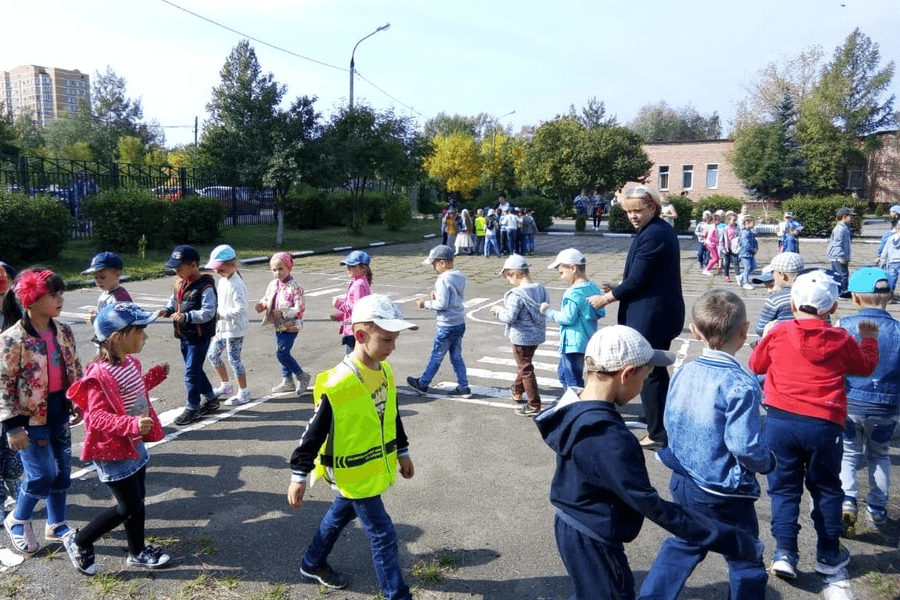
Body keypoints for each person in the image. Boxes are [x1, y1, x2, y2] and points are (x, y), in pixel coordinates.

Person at [534, 325, 763, 600]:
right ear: (627, 373)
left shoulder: (573, 409)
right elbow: (653, 506)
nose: (644, 385)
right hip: (595, 539)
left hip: (572, 523)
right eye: (646, 375)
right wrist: (732, 539)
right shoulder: (610, 437)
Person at [638, 290, 775, 600]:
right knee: (744, 554)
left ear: (695, 330)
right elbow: (744, 447)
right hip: (724, 491)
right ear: (744, 331)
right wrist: (768, 462)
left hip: (684, 478)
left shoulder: (685, 371)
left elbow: (671, 422)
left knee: (686, 541)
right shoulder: (741, 383)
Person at [749, 270, 879, 580]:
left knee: (783, 490)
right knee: (826, 488)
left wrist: (766, 336)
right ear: (833, 308)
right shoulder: (842, 339)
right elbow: (863, 367)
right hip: (824, 424)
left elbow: (756, 365)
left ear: (793, 303)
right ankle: (828, 553)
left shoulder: (779, 333)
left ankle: (784, 552)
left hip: (781, 419)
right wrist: (870, 341)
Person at [287, 294, 417, 599]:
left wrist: (403, 450)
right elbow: (313, 433)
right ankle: (396, 595)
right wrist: (298, 475)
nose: (393, 347)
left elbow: (390, 415)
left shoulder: (384, 371)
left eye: (394, 339)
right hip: (354, 475)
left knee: (340, 513)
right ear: (360, 336)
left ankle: (312, 562)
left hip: (371, 468)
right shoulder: (339, 384)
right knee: (383, 534)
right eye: (386, 339)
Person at [63, 302, 171, 575]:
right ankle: (80, 541)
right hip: (112, 449)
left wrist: (152, 379)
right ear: (118, 337)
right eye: (140, 331)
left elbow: (129, 394)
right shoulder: (99, 374)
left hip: (132, 444)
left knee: (138, 500)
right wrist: (132, 423)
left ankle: (137, 551)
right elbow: (96, 417)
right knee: (128, 506)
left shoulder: (129, 362)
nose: (145, 337)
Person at [588, 185, 685, 450]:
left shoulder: (655, 233)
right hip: (655, 310)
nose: (632, 216)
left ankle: (657, 434)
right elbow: (642, 273)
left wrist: (607, 298)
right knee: (652, 369)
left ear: (653, 207)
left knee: (650, 370)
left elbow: (639, 279)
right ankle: (654, 416)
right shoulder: (654, 229)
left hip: (653, 314)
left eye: (638, 210)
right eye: (629, 211)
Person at [0, 268, 83, 556]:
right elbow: (4, 382)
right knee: (41, 474)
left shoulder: (64, 331)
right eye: (53, 295)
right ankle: (18, 520)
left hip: (59, 410)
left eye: (61, 293)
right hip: (28, 419)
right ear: (31, 300)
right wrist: (11, 426)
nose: (60, 299)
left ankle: (56, 523)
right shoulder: (13, 338)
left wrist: (80, 400)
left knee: (61, 471)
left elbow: (75, 368)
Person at [838, 267, 900, 535]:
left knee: (849, 455)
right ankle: (877, 508)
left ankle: (847, 501)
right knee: (880, 455)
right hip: (887, 406)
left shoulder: (844, 326)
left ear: (855, 298)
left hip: (852, 402)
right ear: (888, 297)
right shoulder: (898, 330)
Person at [156, 245, 219, 427]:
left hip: (199, 336)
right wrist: (167, 310)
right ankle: (210, 398)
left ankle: (192, 407)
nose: (176, 271)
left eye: (179, 267)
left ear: (194, 265)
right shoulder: (179, 283)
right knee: (195, 369)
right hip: (184, 334)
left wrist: (187, 316)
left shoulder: (206, 286)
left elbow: (209, 312)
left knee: (191, 372)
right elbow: (174, 302)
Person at [407, 245, 470, 397]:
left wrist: (425, 304)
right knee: (456, 357)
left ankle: (423, 384)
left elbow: (442, 305)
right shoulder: (459, 276)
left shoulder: (442, 280)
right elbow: (452, 299)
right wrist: (437, 297)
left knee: (436, 356)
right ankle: (463, 386)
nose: (433, 268)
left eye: (434, 264)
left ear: (443, 263)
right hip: (459, 322)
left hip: (446, 324)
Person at [490, 255, 550, 416]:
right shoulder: (541, 289)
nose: (508, 280)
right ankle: (516, 389)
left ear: (516, 274)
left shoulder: (515, 294)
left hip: (521, 337)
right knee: (525, 365)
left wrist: (498, 311)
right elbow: (545, 308)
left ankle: (534, 405)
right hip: (536, 334)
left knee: (525, 369)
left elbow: (509, 317)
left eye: (508, 276)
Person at [540, 248, 604, 391]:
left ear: (573, 268)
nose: (560, 276)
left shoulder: (572, 293)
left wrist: (547, 311)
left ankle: (576, 406)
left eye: (561, 272)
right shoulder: (593, 287)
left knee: (572, 380)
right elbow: (601, 312)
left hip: (572, 344)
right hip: (587, 340)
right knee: (564, 375)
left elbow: (567, 318)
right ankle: (575, 402)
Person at [255, 252, 310, 396]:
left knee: (282, 352)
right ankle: (287, 381)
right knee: (281, 351)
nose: (277, 273)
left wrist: (284, 312)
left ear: (289, 268)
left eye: (281, 269)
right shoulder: (273, 284)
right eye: (274, 270)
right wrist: (262, 305)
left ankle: (302, 376)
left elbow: (299, 309)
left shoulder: (295, 287)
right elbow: (267, 299)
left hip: (291, 326)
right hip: (278, 325)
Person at [204, 245, 251, 406]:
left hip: (235, 329)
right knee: (213, 355)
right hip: (222, 327)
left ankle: (244, 392)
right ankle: (225, 385)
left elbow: (241, 308)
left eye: (221, 269)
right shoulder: (224, 280)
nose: (217, 272)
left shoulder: (236, 283)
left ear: (233, 265)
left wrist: (220, 315)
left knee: (234, 359)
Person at [331, 250, 373, 354]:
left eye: (352, 266)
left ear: (363, 268)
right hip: (353, 328)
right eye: (347, 266)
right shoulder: (358, 282)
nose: (348, 269)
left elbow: (357, 307)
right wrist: (340, 316)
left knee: (352, 361)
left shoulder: (359, 285)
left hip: (354, 330)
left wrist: (338, 304)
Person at [754, 252, 804, 337]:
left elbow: (760, 329)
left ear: (781, 274)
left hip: (782, 344)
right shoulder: (814, 295)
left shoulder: (775, 300)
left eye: (774, 273)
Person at [82, 251, 132, 324]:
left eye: (102, 277)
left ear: (117, 274)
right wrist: (96, 315)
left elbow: (123, 320)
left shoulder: (120, 297)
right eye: (96, 278)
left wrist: (97, 319)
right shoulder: (106, 294)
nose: (98, 281)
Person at [828, 207, 857, 295]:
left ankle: (838, 291)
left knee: (838, 274)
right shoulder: (840, 229)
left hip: (840, 256)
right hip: (837, 256)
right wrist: (841, 256)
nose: (852, 218)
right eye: (850, 216)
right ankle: (842, 292)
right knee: (842, 274)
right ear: (844, 216)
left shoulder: (845, 228)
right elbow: (837, 243)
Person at [878, 218, 900, 294]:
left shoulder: (891, 238)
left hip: (892, 262)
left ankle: (889, 295)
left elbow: (885, 250)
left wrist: (882, 260)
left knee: (892, 279)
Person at [738, 214, 758, 290]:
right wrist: (752, 249)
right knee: (748, 267)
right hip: (745, 253)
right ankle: (745, 282)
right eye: (753, 223)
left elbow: (754, 241)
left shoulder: (749, 231)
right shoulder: (744, 232)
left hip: (751, 252)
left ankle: (742, 276)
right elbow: (745, 243)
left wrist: (755, 248)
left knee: (753, 266)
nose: (754, 225)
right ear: (747, 222)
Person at [719, 212, 739, 283]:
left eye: (735, 220)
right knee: (727, 262)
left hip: (735, 248)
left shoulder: (737, 228)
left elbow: (739, 237)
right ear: (728, 220)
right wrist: (723, 249)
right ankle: (726, 276)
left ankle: (738, 276)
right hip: (727, 248)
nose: (734, 222)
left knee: (736, 262)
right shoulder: (725, 229)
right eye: (733, 220)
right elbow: (721, 240)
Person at [702, 211, 721, 277]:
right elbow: (710, 237)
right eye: (716, 220)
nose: (717, 221)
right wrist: (718, 240)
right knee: (715, 258)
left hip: (713, 244)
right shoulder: (713, 228)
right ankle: (706, 269)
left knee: (717, 257)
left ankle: (717, 268)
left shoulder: (715, 227)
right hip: (711, 245)